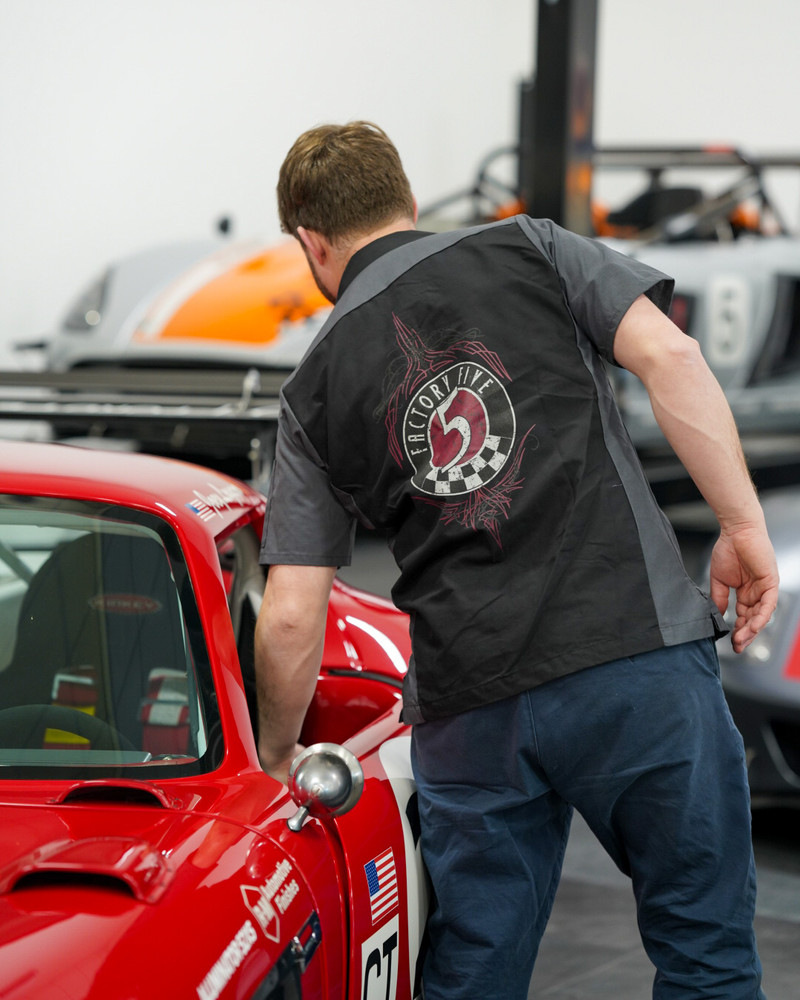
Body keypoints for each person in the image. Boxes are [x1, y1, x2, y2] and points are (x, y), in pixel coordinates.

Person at [254, 121, 778, 1000]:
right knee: (705, 950)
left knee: (475, 973)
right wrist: (742, 527)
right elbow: (673, 356)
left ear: (311, 243)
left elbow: (294, 610)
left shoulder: (310, 386)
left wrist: (276, 755)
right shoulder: (530, 245)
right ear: (408, 204)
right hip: (633, 657)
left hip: (472, 709)